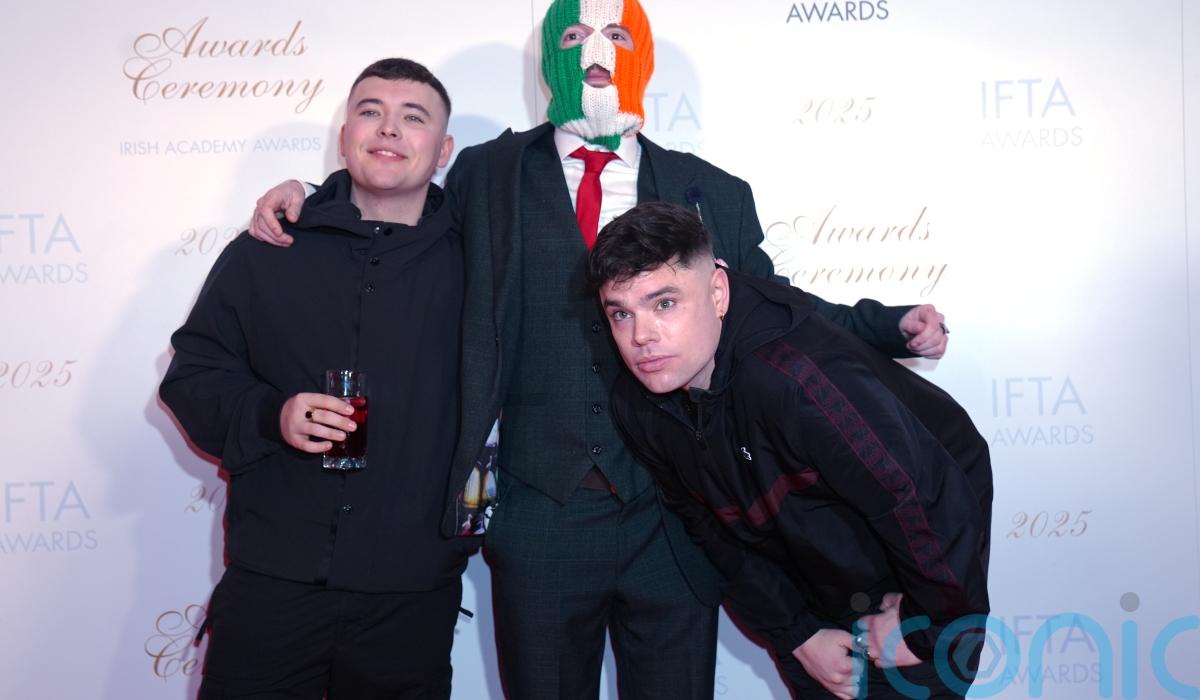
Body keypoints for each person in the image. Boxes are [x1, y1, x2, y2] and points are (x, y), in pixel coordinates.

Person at [247, 2, 950, 696]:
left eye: (615, 35)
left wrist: (885, 327)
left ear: (642, 55)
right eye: (578, 36)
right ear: (550, 58)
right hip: (536, 515)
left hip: (678, 517)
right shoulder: (487, 173)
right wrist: (314, 192)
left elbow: (774, 309)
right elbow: (400, 208)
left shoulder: (716, 192)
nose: (596, 53)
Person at [587, 201, 992, 699]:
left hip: (920, 574)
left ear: (718, 292)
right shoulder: (637, 401)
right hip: (807, 581)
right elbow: (710, 527)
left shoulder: (796, 379)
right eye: (621, 313)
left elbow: (920, 496)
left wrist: (933, 625)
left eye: (664, 304)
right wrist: (797, 632)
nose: (641, 337)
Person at [159, 58, 469, 699]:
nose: (389, 129)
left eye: (413, 118)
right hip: (272, 583)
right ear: (345, 136)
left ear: (443, 151)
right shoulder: (268, 248)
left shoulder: (478, 264)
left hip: (410, 593)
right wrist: (271, 415)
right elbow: (192, 377)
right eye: (370, 112)